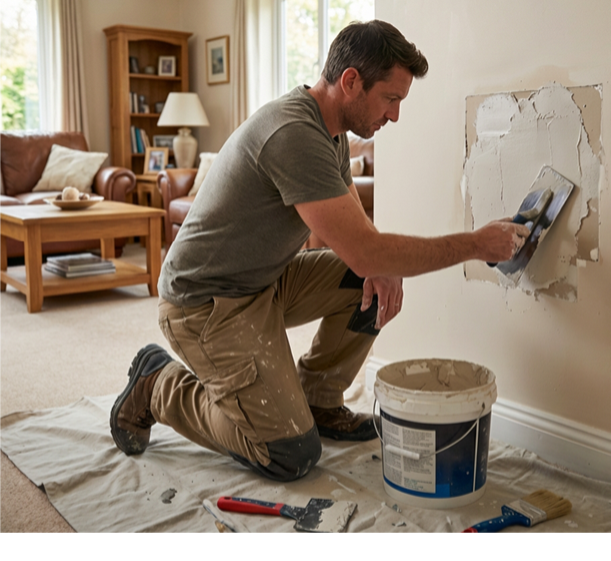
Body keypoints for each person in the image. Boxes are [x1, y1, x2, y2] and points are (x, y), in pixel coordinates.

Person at [110, 20, 529, 482]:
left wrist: (381, 266)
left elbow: (356, 225)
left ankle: (319, 399)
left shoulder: (332, 132)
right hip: (205, 303)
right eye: (391, 99)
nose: (394, 116)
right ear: (351, 82)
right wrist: (474, 244)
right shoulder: (292, 133)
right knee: (290, 454)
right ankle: (158, 385)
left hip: (264, 281)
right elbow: (367, 250)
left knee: (368, 282)